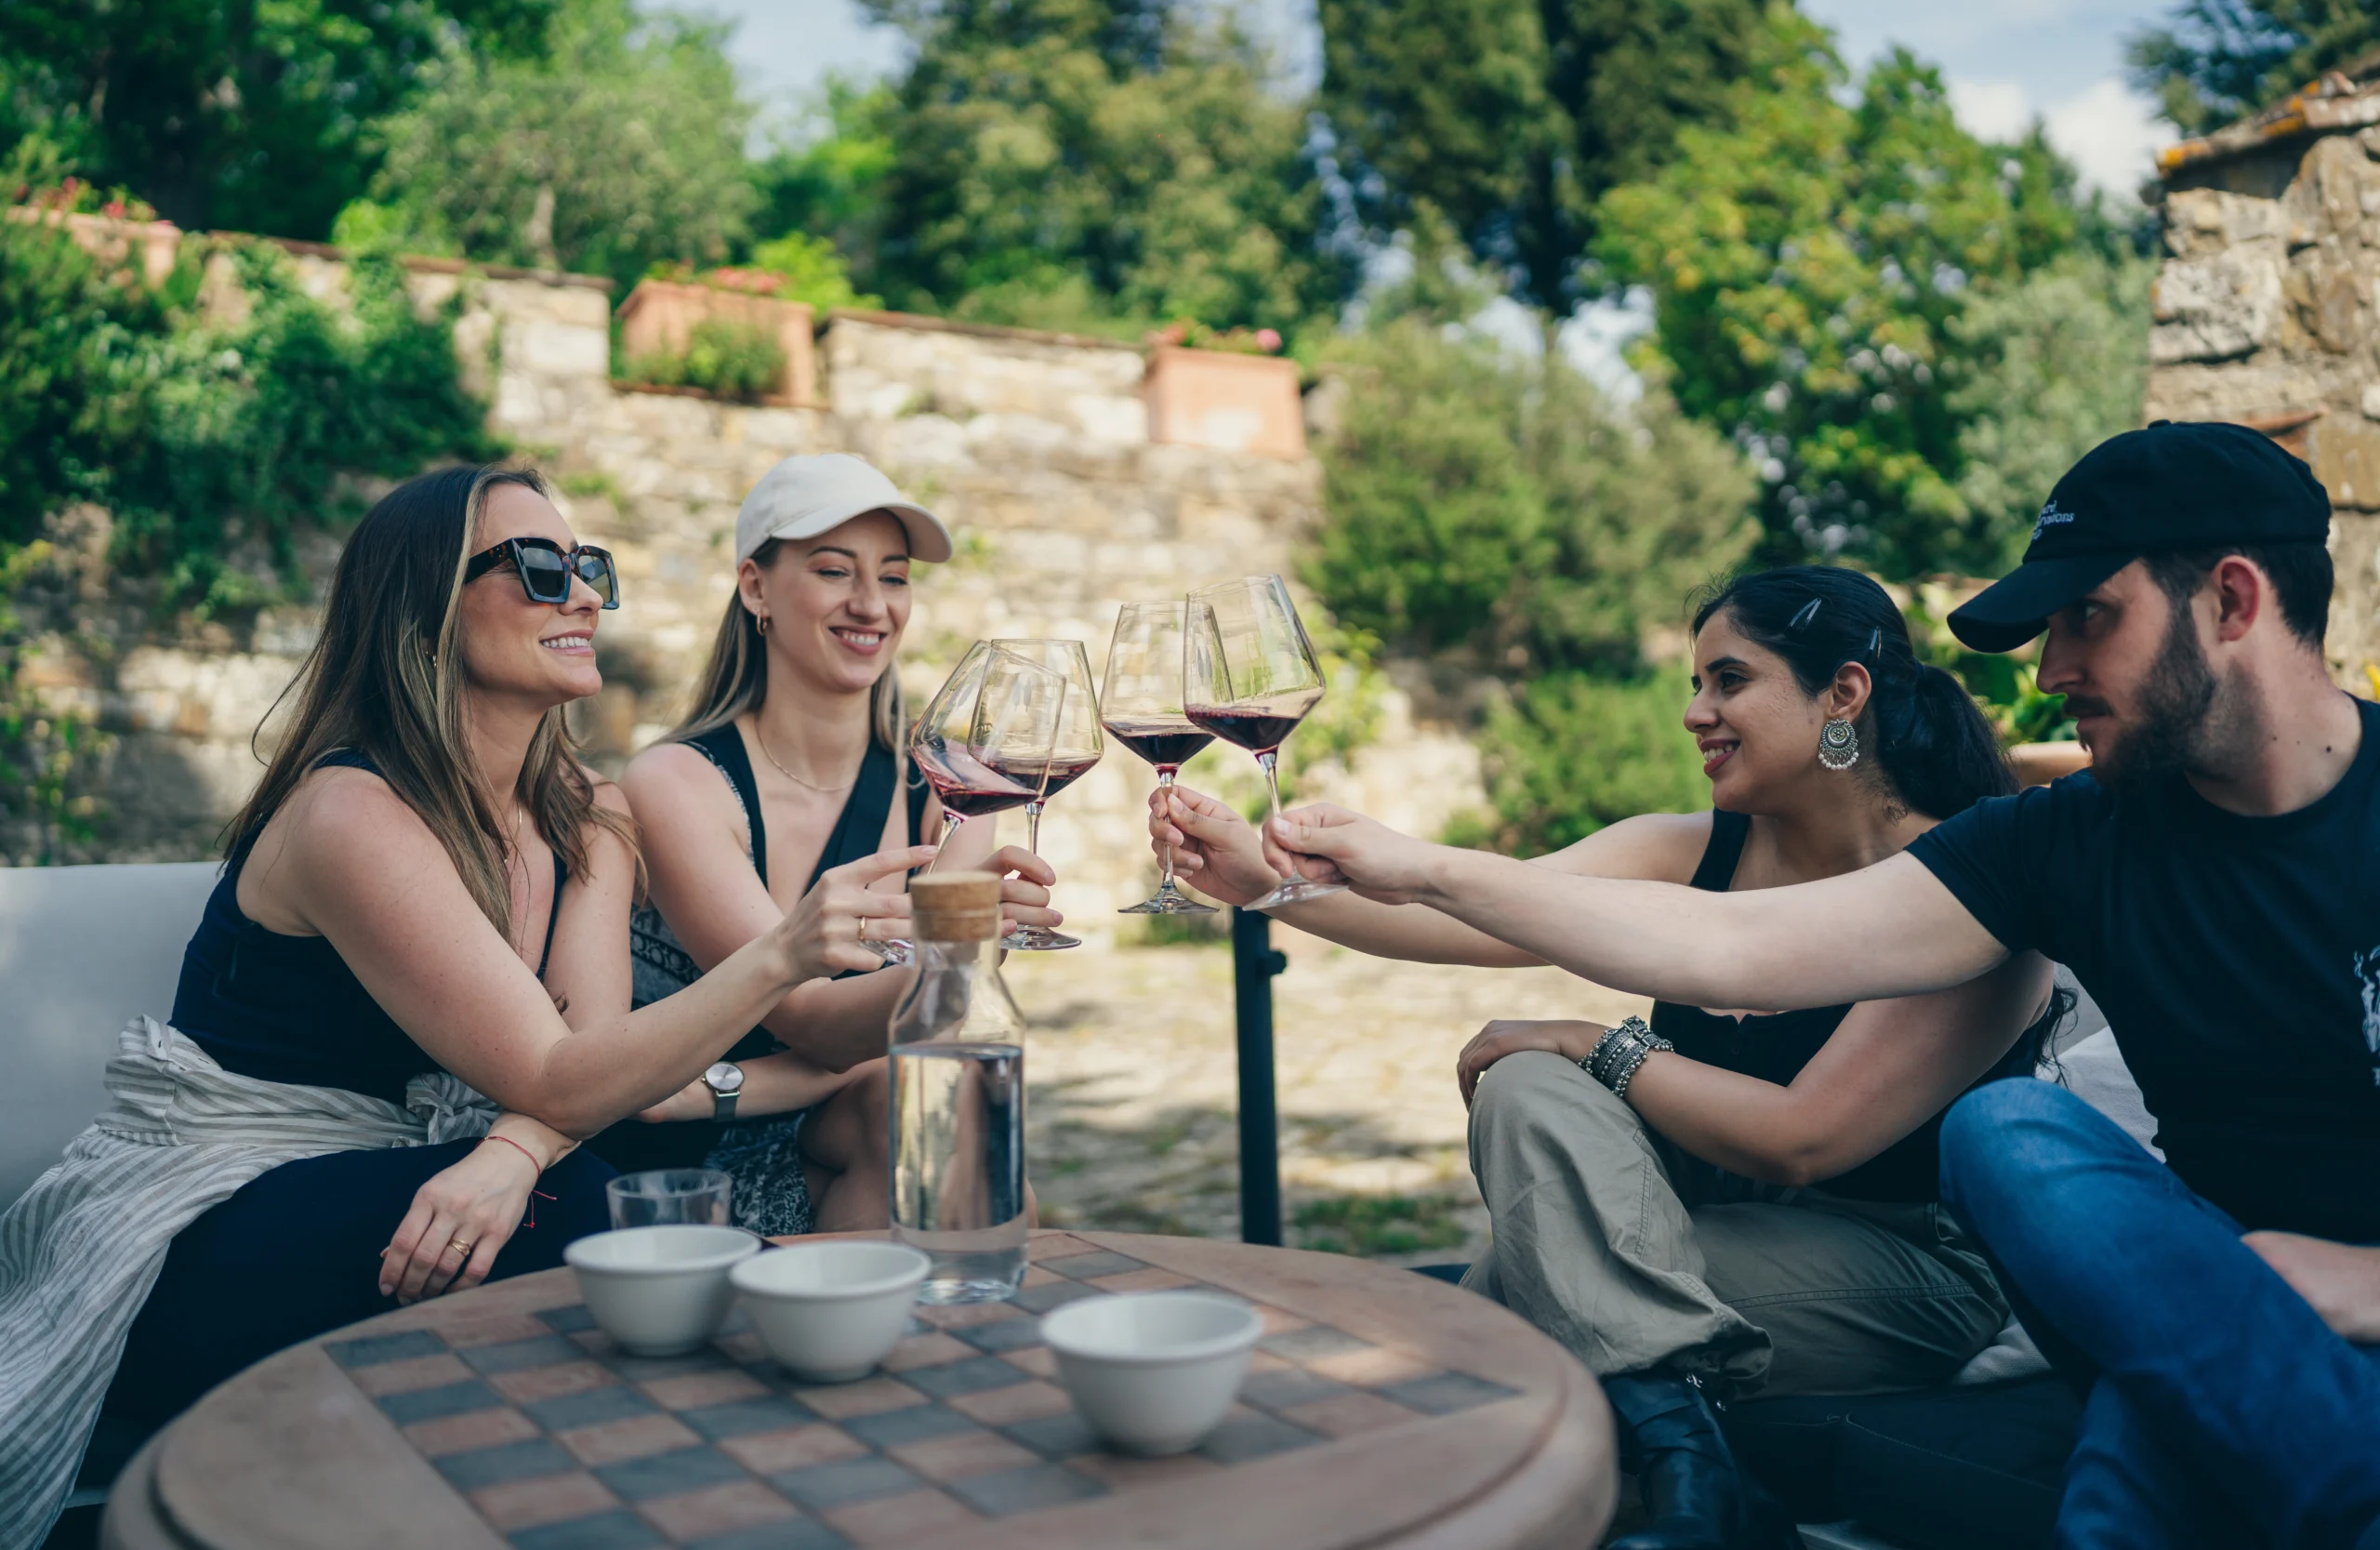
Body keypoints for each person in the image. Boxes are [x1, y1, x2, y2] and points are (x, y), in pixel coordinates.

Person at [1250, 422, 2380, 1549]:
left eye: (2089, 616)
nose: (2049, 671)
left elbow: (1803, 1134)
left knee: (1511, 1289)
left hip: (2265, 1300)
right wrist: (1387, 867)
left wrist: (2354, 1278)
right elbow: (1737, 949)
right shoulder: (2059, 844)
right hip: (2202, 1293)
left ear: (2231, 601)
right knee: (2009, 1137)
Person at [0, 464, 938, 1550]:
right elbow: (551, 1079)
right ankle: (882, 1305)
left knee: (578, 1196)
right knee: (578, 1218)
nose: (583, 595)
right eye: (541, 568)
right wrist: (782, 955)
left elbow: (584, 1061)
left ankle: (794, 1423)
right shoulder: (352, 811)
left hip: (431, 1171)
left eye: (591, 568)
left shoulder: (590, 814)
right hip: (214, 1206)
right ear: (425, 606)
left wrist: (511, 1152)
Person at [1156, 564, 2059, 1550]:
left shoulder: (1968, 889)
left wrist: (1595, 1041)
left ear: (1842, 695)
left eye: (1728, 681)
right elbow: (1464, 914)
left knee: (1509, 1297)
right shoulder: (1690, 850)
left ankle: (1658, 1479)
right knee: (1528, 1083)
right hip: (1693, 1218)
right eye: (1693, 685)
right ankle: (1689, 1458)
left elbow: (1804, 1139)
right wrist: (1259, 882)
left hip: (1903, 1264)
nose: (1695, 713)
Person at [595, 454, 1055, 1234]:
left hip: (787, 1109)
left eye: (895, 577)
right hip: (670, 1152)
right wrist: (964, 953)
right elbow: (816, 1017)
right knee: (945, 1130)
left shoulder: (950, 788)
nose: (872, 605)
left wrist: (967, 956)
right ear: (756, 587)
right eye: (836, 571)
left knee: (957, 1117)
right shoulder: (680, 782)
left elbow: (936, 1043)